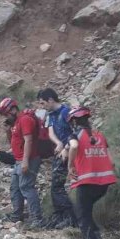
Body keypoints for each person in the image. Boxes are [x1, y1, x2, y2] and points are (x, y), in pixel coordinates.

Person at [66, 106, 117, 239]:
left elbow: (73, 146)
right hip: (104, 184)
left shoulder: (75, 135)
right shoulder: (100, 135)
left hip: (86, 184)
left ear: (74, 121)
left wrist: (70, 166)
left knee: (83, 218)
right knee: (87, 212)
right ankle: (96, 237)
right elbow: (112, 161)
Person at [0, 97, 43, 227]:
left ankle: (37, 219)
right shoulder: (16, 123)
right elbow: (15, 140)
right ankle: (17, 216)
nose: (5, 117)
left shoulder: (25, 120)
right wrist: (7, 131)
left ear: (13, 109)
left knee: (27, 187)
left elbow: (29, 141)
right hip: (18, 160)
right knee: (15, 188)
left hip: (28, 159)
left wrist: (25, 161)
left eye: (6, 113)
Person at [38, 88, 77, 228]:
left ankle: (70, 217)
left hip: (70, 152)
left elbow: (76, 132)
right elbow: (50, 132)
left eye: (43, 103)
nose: (42, 107)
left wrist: (66, 146)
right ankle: (61, 216)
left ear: (50, 100)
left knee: (57, 186)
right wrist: (58, 143)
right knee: (55, 186)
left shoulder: (66, 112)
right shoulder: (51, 115)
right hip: (60, 152)